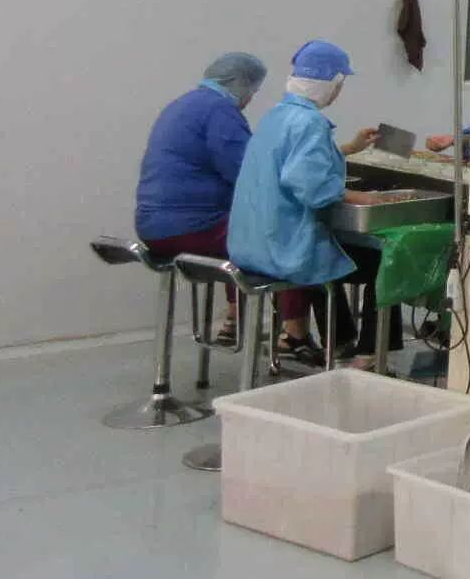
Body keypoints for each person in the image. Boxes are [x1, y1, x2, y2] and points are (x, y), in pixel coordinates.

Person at [228, 41, 380, 368]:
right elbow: (313, 189)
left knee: (334, 251)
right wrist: (368, 200)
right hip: (285, 251)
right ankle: (368, 356)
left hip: (251, 245)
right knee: (384, 260)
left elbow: (294, 163)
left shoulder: (276, 116)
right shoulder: (311, 123)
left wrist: (348, 149)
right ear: (334, 83)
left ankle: (341, 340)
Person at [134, 51, 269, 345]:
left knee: (241, 229)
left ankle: (236, 318)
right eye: (253, 90)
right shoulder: (221, 112)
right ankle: (293, 335)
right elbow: (245, 173)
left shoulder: (183, 105)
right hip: (193, 229)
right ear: (240, 83)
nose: (250, 98)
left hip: (152, 229)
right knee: (277, 235)